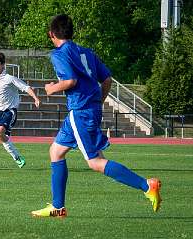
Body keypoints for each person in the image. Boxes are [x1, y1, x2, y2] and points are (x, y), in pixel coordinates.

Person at [31, 14, 162, 218]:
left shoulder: (59, 54)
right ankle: (58, 207)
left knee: (95, 162)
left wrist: (51, 88)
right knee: (56, 151)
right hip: (86, 110)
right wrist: (97, 103)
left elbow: (70, 81)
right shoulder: (86, 52)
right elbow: (107, 79)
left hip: (80, 111)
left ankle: (146, 185)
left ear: (51, 34)